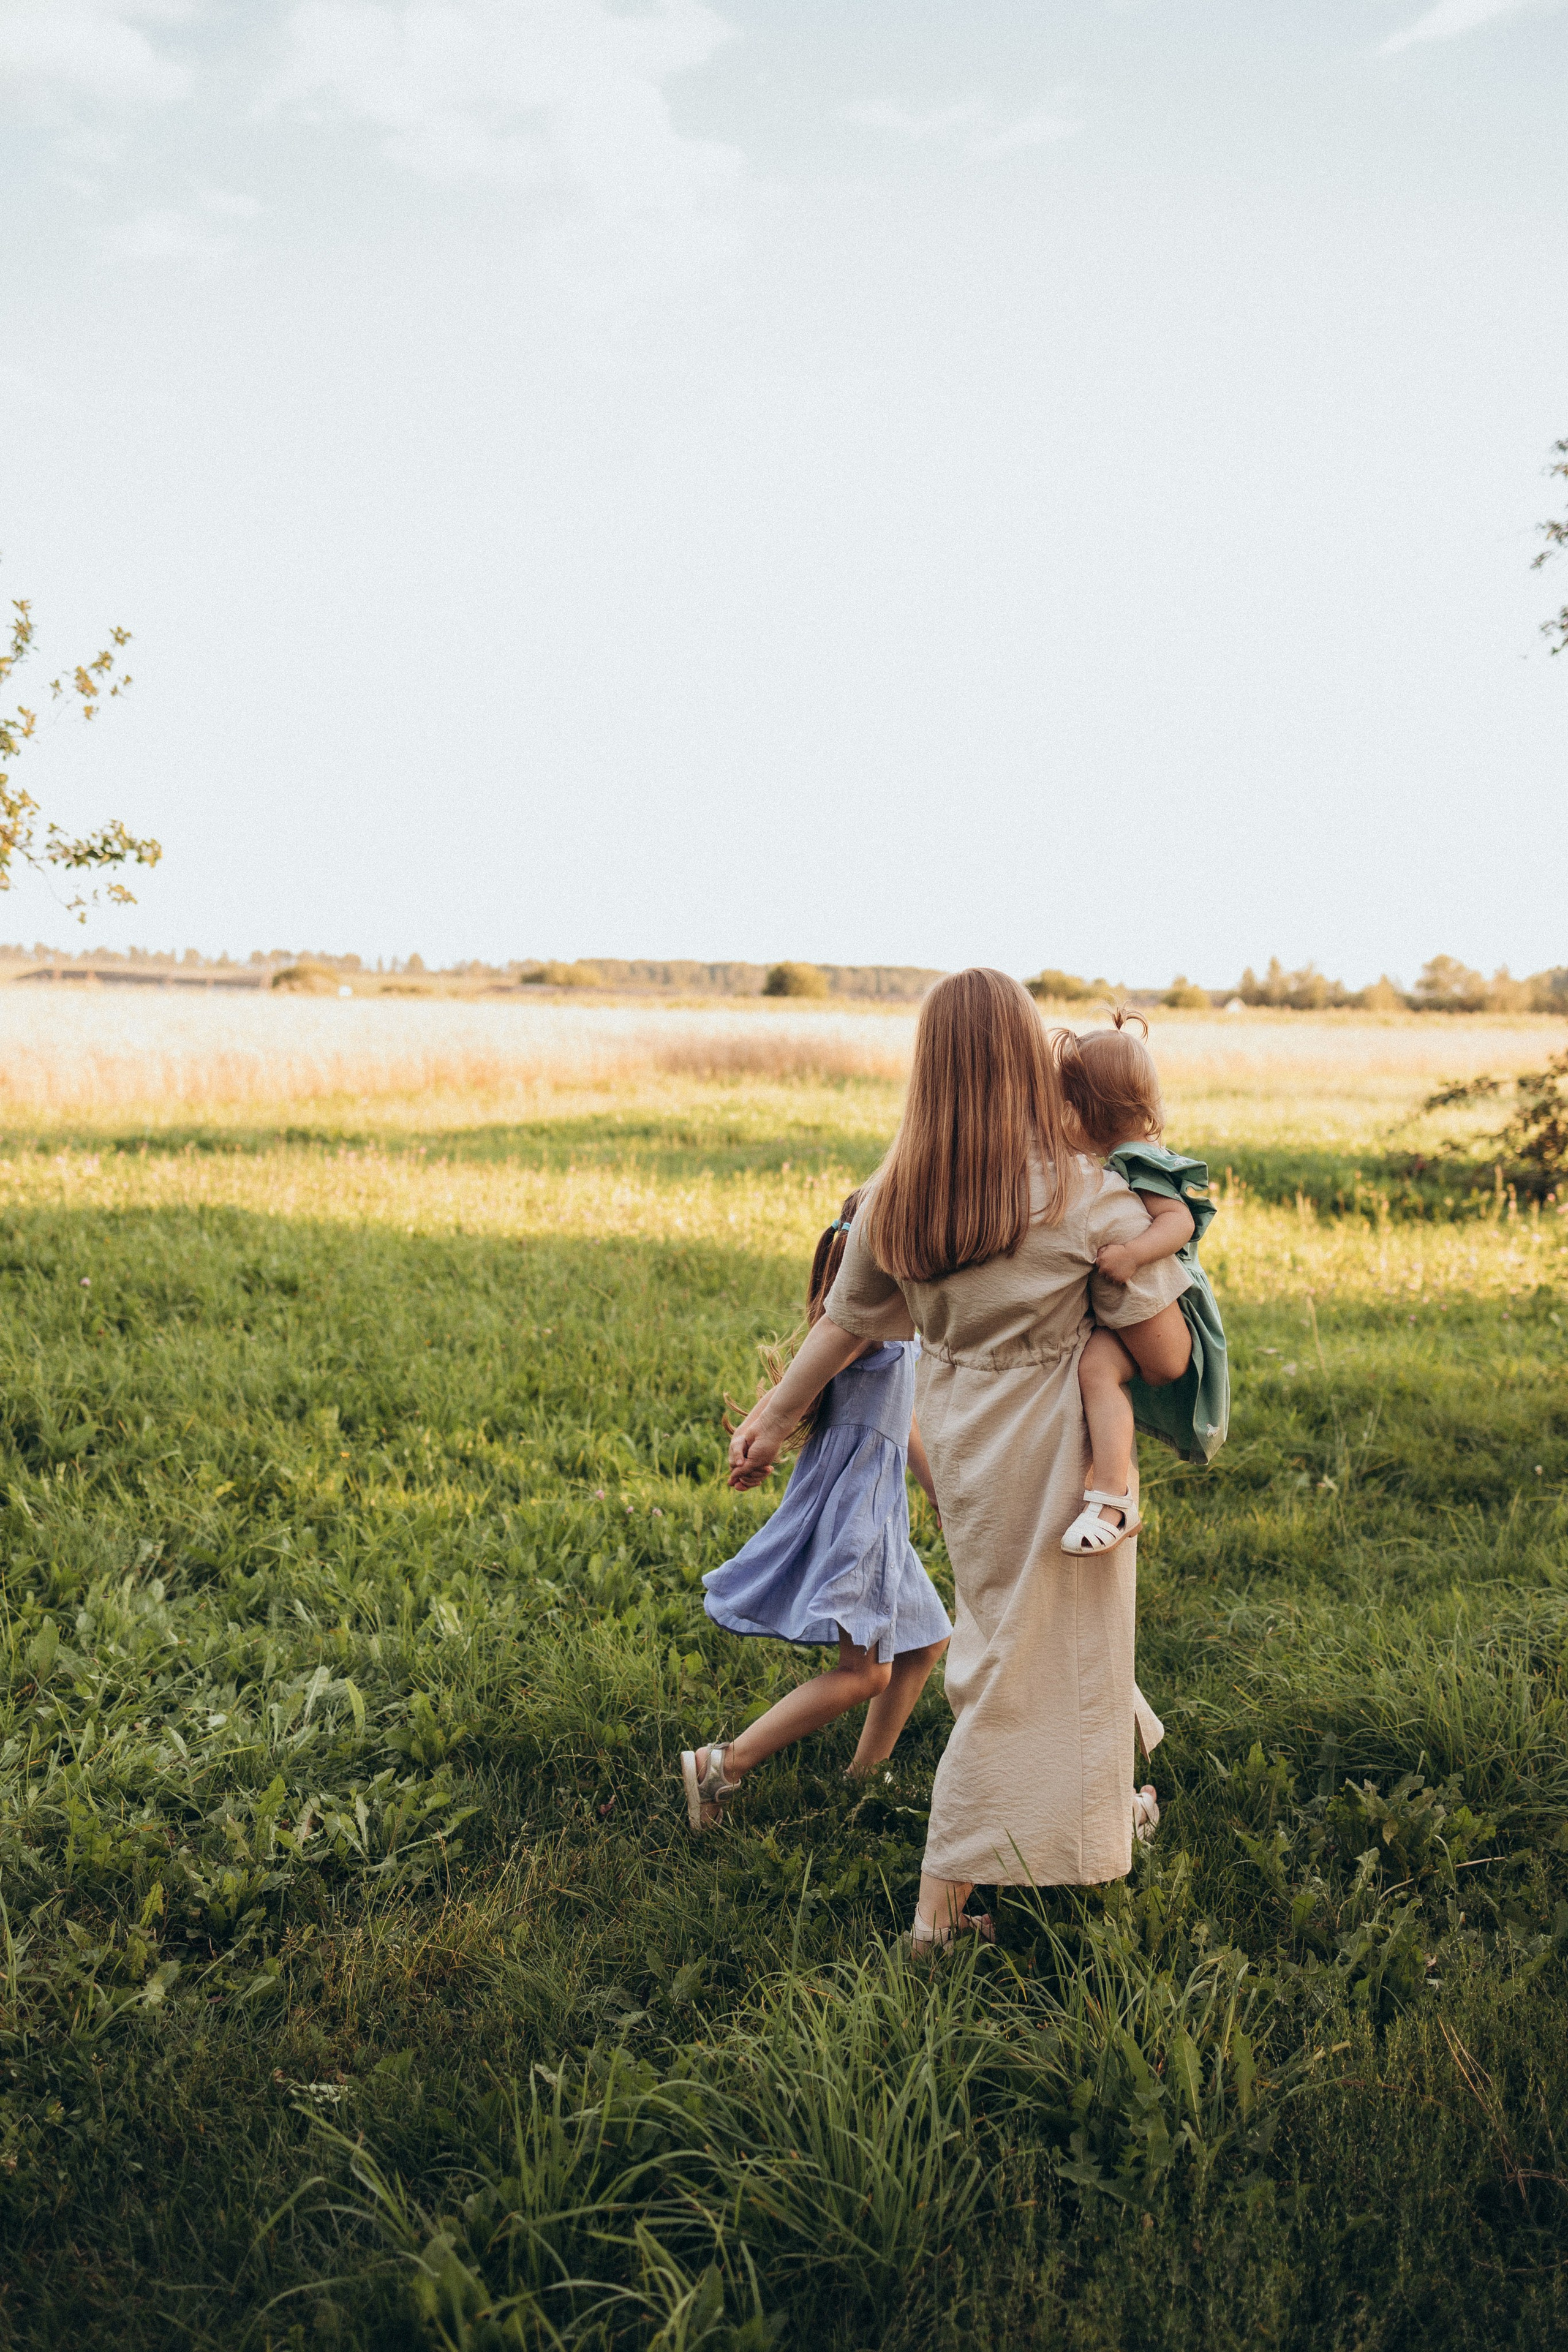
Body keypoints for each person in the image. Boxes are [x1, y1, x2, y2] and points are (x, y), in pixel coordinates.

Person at [726, 968, 1191, 1948]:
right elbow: (1163, 1355)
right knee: (1023, 1665)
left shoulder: (899, 1195)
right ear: (1031, 1059)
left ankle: (1101, 1815)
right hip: (1061, 1456)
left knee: (1039, 1647)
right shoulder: (1087, 1195)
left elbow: (846, 1322)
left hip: (967, 1448)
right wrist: (1163, 1270)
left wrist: (774, 1415)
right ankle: (937, 1915)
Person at [682, 1188, 953, 1833]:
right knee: (863, 1674)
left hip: (875, 1505)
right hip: (858, 1511)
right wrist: (761, 1432)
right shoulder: (859, 1327)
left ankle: (864, 1780)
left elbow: (902, 1416)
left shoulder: (882, 1321)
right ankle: (722, 1764)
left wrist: (935, 1488)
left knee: (924, 1639)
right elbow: (802, 1387)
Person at [1056, 1013, 1231, 1556]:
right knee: (1096, 1372)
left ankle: (1113, 1495)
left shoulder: (1134, 1160)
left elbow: (1176, 1222)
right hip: (1147, 1307)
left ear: (1087, 1111)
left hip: (1169, 1311)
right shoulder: (1122, 1155)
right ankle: (1115, 1494)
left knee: (1097, 1370)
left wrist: (1132, 1254)